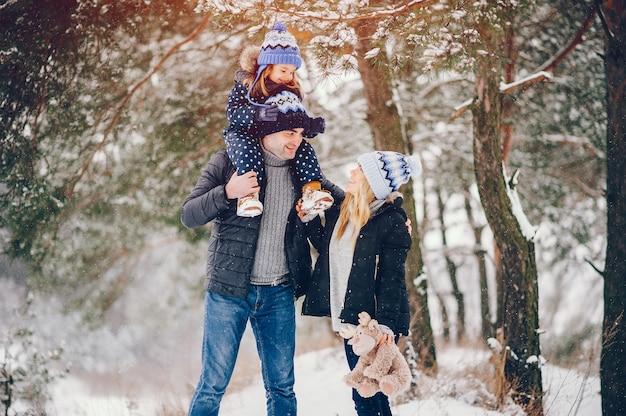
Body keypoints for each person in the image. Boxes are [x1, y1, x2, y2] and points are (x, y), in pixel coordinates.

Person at [181, 89, 341, 416]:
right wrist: (228, 191)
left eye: (299, 134)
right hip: (229, 291)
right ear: (268, 130)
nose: (295, 140)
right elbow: (189, 214)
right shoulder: (228, 162)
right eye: (288, 132)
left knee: (282, 386)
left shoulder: (304, 172)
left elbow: (347, 201)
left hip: (278, 293)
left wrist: (394, 213)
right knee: (213, 383)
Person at [301, 150, 421, 416]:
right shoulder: (345, 211)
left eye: (359, 170)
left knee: (369, 397)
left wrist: (386, 325)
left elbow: (392, 277)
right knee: (365, 396)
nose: (352, 173)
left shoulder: (391, 222)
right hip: (349, 317)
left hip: (374, 322)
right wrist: (309, 217)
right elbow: (327, 247)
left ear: (374, 181)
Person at [223, 21, 333, 219]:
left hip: (274, 138)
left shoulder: (290, 89)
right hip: (243, 132)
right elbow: (233, 114)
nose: (288, 76)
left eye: (292, 71)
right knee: (248, 151)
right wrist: (256, 113)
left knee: (305, 149)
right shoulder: (246, 85)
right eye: (283, 70)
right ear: (267, 65)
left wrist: (309, 126)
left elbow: (292, 121)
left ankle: (311, 191)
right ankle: (248, 196)